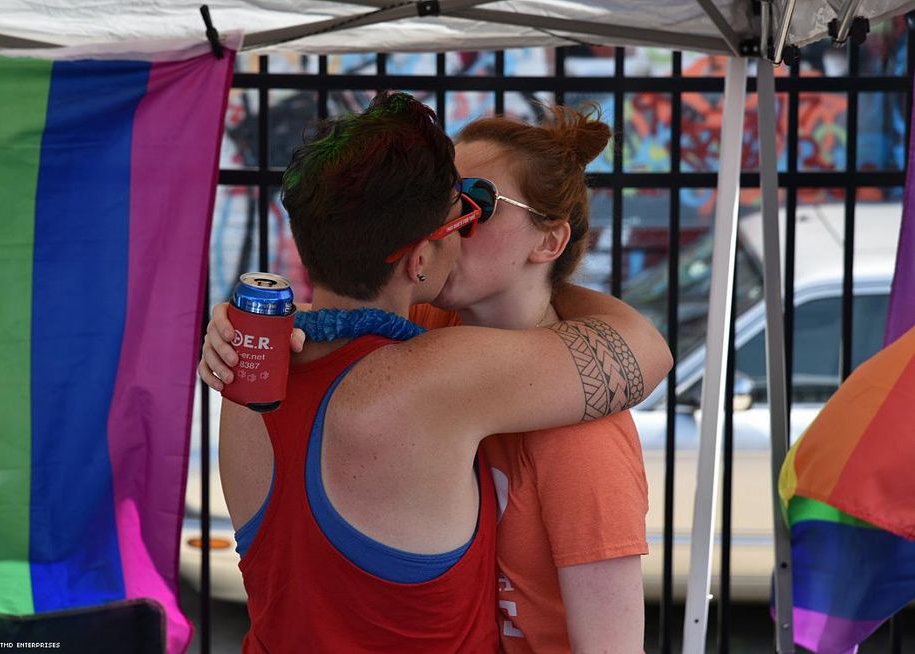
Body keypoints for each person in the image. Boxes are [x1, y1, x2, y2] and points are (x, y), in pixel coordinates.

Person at [202, 92, 671, 652]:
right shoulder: (437, 366)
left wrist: (246, 320)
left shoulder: (252, 363)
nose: (459, 223)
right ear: (420, 260)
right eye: (454, 208)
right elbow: (645, 350)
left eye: (479, 202)